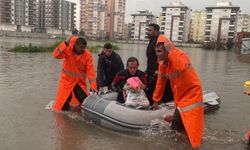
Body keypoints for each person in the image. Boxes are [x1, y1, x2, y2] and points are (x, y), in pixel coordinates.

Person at [152, 42, 204, 148]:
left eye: (160, 51)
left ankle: (182, 145)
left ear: (167, 50)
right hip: (180, 97)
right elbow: (160, 83)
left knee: (177, 126)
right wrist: (156, 100)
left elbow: (181, 67)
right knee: (182, 126)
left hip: (191, 94)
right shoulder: (163, 65)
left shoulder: (179, 55)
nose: (157, 54)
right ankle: (184, 142)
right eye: (156, 51)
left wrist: (171, 51)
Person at [53, 36, 97, 111]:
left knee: (85, 102)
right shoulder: (67, 49)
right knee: (63, 105)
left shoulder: (87, 55)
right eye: (81, 47)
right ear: (75, 45)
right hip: (66, 81)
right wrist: (65, 43)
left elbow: (91, 72)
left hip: (79, 83)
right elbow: (56, 55)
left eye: (84, 47)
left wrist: (93, 87)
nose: (82, 49)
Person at [146, 23, 173, 105]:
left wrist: (157, 70)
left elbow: (165, 57)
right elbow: (151, 58)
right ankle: (152, 105)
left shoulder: (159, 42)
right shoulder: (152, 41)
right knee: (151, 91)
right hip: (152, 72)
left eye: (150, 30)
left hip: (158, 73)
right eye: (148, 30)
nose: (148, 32)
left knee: (161, 91)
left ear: (156, 31)